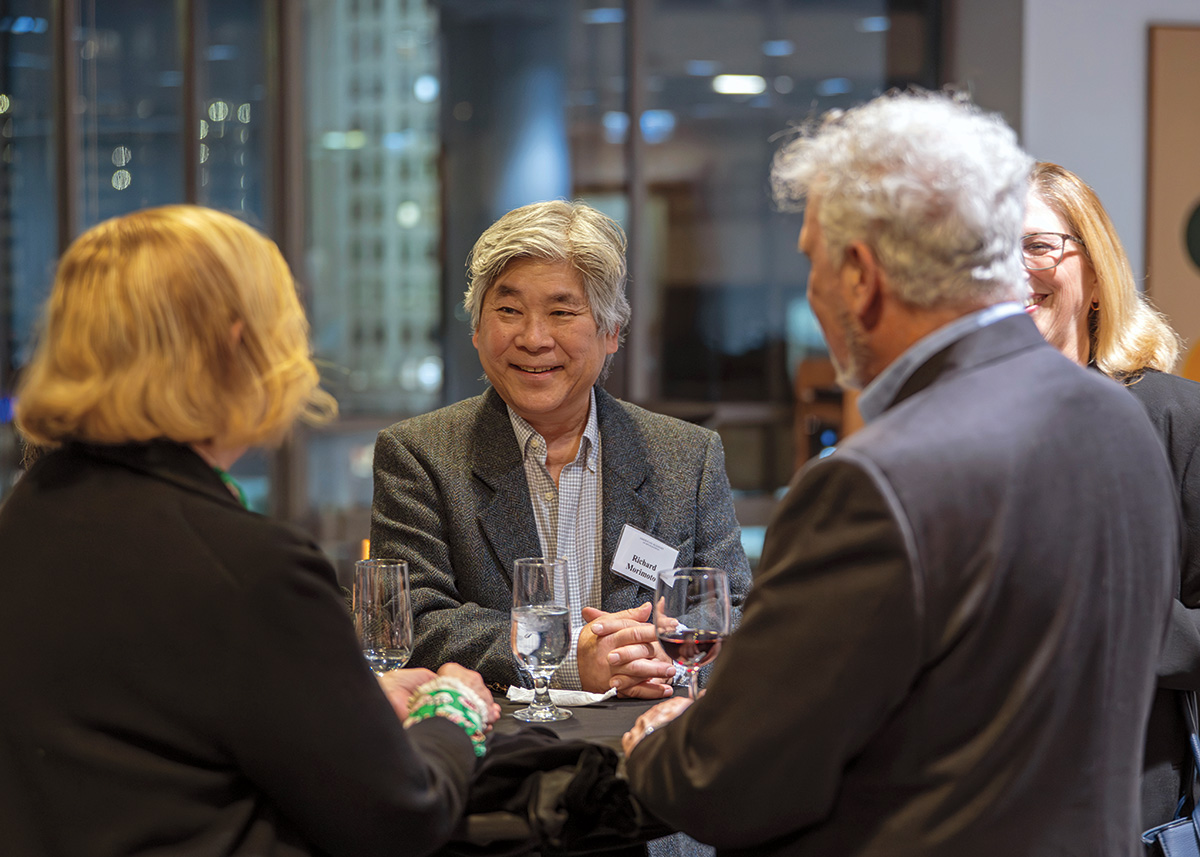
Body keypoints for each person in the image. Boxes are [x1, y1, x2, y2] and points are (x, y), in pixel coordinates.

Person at [622, 91, 1180, 856]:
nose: (811, 291)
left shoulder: (871, 483)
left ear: (860, 274)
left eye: (813, 260)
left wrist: (657, 746)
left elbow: (726, 780)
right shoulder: (1120, 422)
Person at [0, 205, 500, 857]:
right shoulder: (251, 568)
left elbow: (139, 721)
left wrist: (346, 699)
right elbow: (402, 819)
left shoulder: (29, 515)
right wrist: (454, 712)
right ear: (239, 348)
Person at [371, 199, 751, 699]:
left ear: (611, 331)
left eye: (561, 312)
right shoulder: (418, 455)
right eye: (509, 311)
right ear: (477, 328)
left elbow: (734, 613)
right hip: (499, 739)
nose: (533, 339)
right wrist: (570, 658)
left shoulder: (686, 455)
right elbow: (415, 622)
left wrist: (664, 659)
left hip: (652, 732)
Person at [1026, 160, 1200, 831]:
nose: (1011, 270)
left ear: (1096, 275)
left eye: (1038, 245)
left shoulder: (1175, 418)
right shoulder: (938, 430)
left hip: (1121, 814)